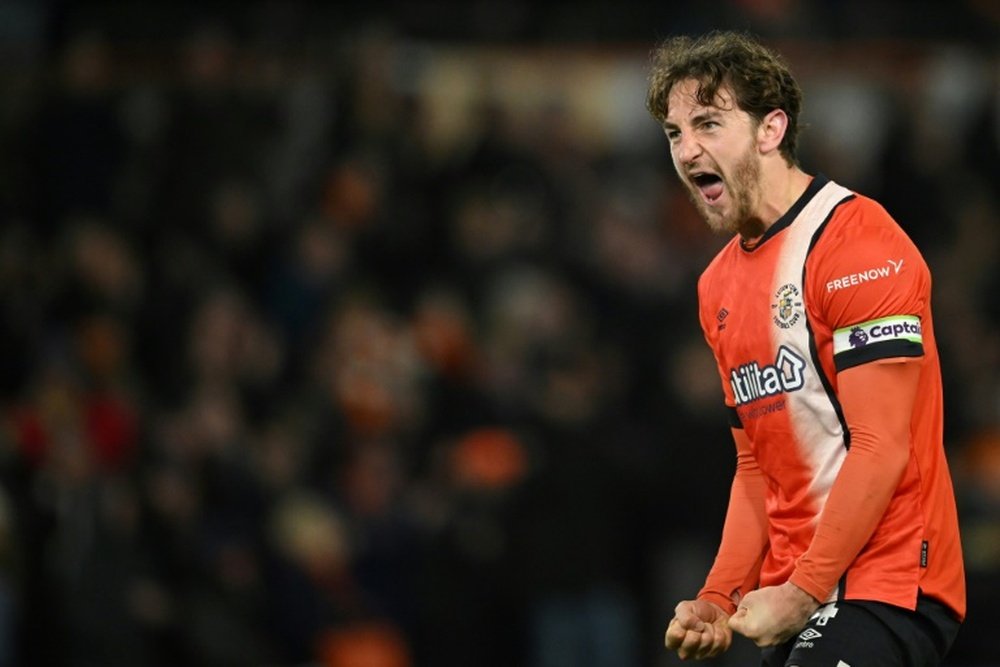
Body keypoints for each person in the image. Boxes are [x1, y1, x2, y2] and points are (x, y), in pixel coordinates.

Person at [645, 31, 965, 666]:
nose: (687, 151)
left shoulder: (861, 245)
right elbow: (756, 469)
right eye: (675, 133)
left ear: (771, 130)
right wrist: (718, 595)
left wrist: (803, 591)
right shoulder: (717, 287)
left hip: (890, 580)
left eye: (707, 123)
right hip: (800, 591)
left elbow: (882, 446)